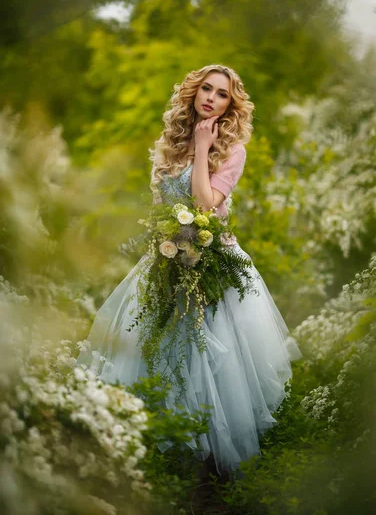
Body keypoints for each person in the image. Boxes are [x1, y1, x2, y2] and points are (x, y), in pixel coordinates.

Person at [76, 64, 302, 475]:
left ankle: (214, 468)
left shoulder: (233, 150)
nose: (210, 98)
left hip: (215, 261)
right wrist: (168, 247)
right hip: (169, 257)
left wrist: (202, 149)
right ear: (193, 93)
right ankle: (166, 459)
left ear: (231, 105)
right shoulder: (167, 144)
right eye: (206, 89)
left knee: (212, 358)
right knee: (163, 352)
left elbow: (203, 206)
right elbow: (161, 207)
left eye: (221, 94)